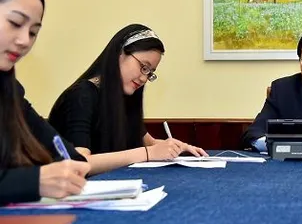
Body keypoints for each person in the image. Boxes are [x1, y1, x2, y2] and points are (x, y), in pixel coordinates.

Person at [48, 24, 207, 174]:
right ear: (120, 53)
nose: (144, 78)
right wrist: (147, 153)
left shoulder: (125, 97)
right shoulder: (82, 95)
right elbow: (80, 163)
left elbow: (150, 143)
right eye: (143, 67)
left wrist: (181, 148)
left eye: (150, 72)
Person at [0, 0, 90, 205]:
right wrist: (33, 181)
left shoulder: (9, 90)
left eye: (33, 32)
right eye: (16, 23)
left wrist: (74, 165)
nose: (24, 41)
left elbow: (59, 148)